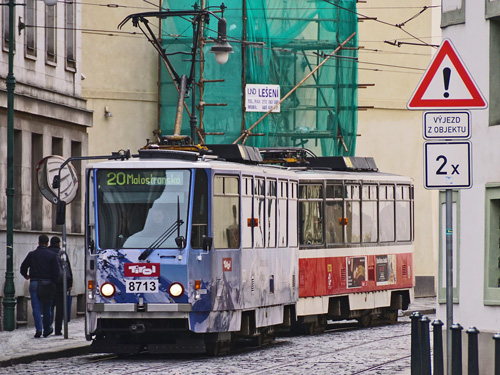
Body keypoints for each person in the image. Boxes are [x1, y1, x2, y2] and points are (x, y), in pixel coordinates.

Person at [20, 234, 60, 338]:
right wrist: (53, 282)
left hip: (34, 282)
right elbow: (56, 272)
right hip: (47, 282)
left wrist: (26, 275)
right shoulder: (52, 255)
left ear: (38, 243)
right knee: (47, 308)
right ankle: (47, 329)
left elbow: (23, 267)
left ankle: (38, 329)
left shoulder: (32, 254)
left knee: (36, 308)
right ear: (47, 243)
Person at [48, 236, 73, 336]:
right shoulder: (62, 253)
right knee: (60, 309)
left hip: (49, 283)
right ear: (59, 243)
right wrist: (70, 283)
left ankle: (48, 327)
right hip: (61, 285)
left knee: (48, 307)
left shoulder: (47, 253)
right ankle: (58, 330)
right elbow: (68, 269)